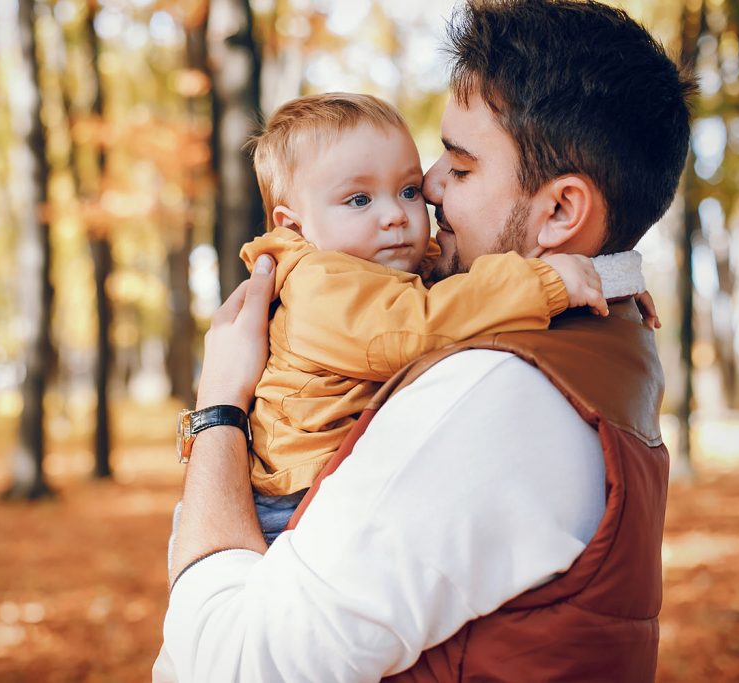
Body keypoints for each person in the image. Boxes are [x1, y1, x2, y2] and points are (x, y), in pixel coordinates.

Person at [158, 1, 694, 681]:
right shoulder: (611, 339)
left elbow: (236, 665)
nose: (430, 190)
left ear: (560, 210)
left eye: (460, 168)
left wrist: (217, 411)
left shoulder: (494, 389)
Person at [235, 92, 622, 542]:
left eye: (408, 190)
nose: (396, 215)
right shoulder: (320, 285)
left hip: (343, 482)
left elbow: (472, 285)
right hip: (294, 501)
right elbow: (422, 324)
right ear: (295, 227)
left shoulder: (392, 265)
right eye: (359, 200)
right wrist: (547, 283)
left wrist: (607, 279)